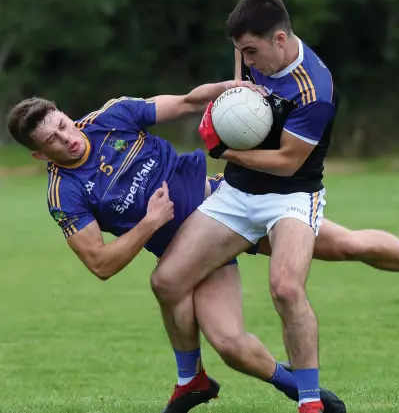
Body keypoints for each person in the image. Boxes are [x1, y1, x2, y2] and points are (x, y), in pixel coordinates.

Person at [150, 0, 399, 413]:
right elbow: (235, 75)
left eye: (252, 51)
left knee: (287, 287)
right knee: (166, 281)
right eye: (242, 52)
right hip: (237, 195)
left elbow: (288, 162)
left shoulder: (315, 90)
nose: (248, 61)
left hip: (291, 197)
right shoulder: (251, 52)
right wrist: (222, 97)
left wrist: (223, 148)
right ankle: (192, 380)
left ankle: (310, 402)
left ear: (280, 39)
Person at [6, 84, 346, 413]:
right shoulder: (64, 192)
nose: (67, 139)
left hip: (226, 206)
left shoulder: (112, 116)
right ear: (39, 154)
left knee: (347, 245)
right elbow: (100, 264)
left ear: (65, 115)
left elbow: (185, 103)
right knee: (229, 344)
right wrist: (150, 223)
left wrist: (227, 86)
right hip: (190, 257)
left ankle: (191, 379)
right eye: (53, 140)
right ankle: (302, 392)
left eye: (63, 126)